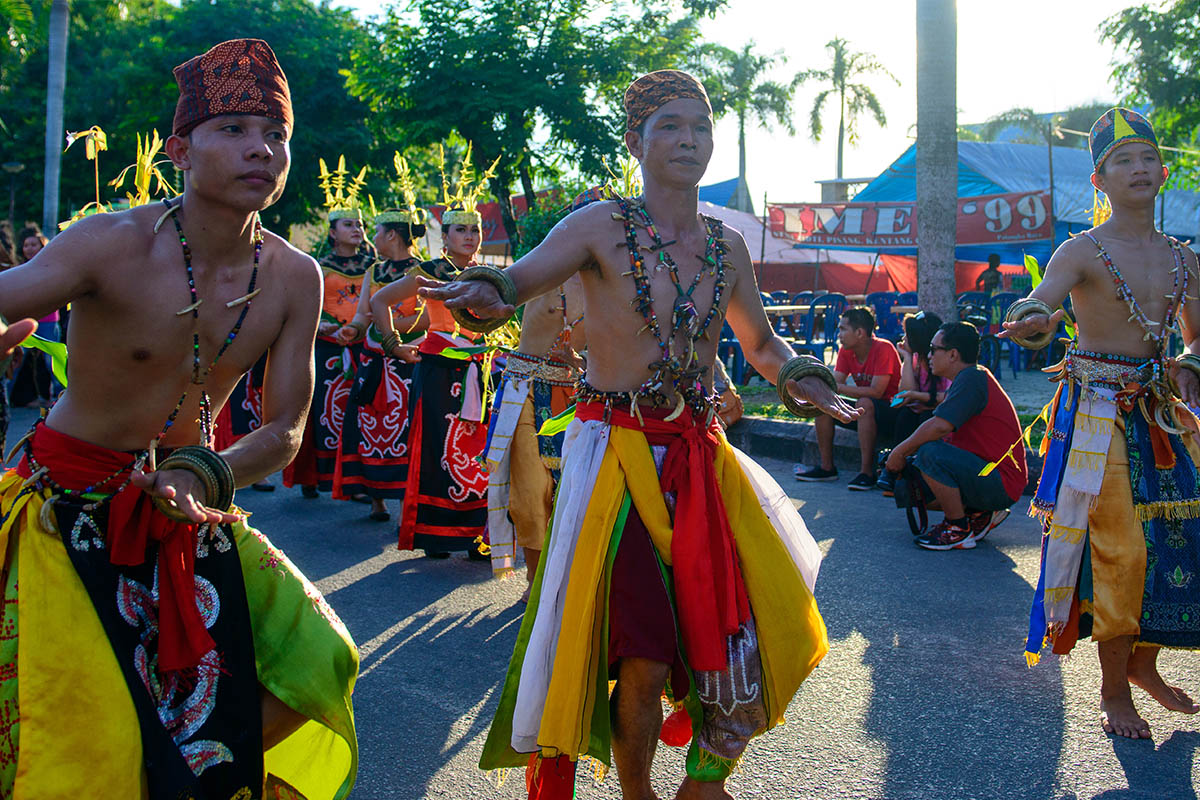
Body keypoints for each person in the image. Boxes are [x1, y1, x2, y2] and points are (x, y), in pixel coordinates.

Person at [421, 69, 859, 800]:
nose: (689, 140)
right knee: (645, 657)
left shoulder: (726, 245)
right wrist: (485, 293)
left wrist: (799, 377)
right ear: (636, 141)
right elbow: (522, 279)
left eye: (701, 127)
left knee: (748, 629)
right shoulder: (598, 226)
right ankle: (638, 793)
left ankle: (706, 778)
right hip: (615, 459)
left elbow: (760, 343)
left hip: (700, 459)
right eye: (670, 127)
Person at [0, 39, 358, 797]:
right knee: (86, 732)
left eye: (276, 133)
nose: (261, 148)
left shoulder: (295, 276)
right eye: (233, 128)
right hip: (62, 508)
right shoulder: (110, 244)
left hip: (190, 507)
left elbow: (286, 429)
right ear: (180, 151)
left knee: (322, 659)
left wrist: (204, 471)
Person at [1002, 107, 1200, 740]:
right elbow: (1040, 301)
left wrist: (1191, 364)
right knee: (1122, 548)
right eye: (1123, 161)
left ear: (1163, 172)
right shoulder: (1081, 250)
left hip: (1163, 415)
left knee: (1179, 540)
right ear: (1099, 180)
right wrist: (1032, 318)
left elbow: (1196, 336)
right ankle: (1114, 692)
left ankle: (1144, 665)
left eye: (1147, 158)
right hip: (1096, 417)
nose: (1138, 168)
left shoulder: (1184, 258)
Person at [370, 159, 491, 559]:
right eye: (461, 230)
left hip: (479, 370)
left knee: (478, 449)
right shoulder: (430, 272)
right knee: (436, 450)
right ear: (446, 236)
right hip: (439, 368)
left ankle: (476, 536)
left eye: (475, 230)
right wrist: (393, 345)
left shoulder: (490, 276)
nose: (470, 237)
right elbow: (380, 301)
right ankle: (436, 534)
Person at [484, 270, 585, 598]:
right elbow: (498, 291)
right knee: (531, 490)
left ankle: (565, 578)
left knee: (571, 492)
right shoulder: (548, 267)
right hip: (525, 390)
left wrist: (580, 362)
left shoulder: (614, 281)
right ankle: (534, 578)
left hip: (578, 397)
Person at [883, 321, 1026, 549]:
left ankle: (957, 528)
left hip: (1001, 481)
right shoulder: (969, 377)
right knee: (908, 485)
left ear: (952, 354)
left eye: (933, 349)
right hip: (991, 475)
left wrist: (899, 451)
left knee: (929, 453)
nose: (929, 355)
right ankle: (978, 513)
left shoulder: (972, 378)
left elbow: (940, 426)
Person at [334, 199, 429, 521]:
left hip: (410, 360)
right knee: (369, 427)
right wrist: (354, 328)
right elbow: (363, 312)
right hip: (373, 361)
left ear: (391, 235)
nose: (371, 237)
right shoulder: (374, 271)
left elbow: (427, 318)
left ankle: (407, 503)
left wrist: (387, 323)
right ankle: (377, 500)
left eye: (376, 231)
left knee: (407, 430)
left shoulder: (424, 271)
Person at [282, 178, 373, 499]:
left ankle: (355, 481)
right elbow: (302, 306)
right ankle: (313, 475)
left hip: (363, 347)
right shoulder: (317, 267)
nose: (357, 229)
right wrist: (319, 325)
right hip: (326, 348)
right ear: (333, 232)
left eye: (360, 225)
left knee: (360, 413)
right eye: (349, 224)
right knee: (319, 411)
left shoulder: (374, 267)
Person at [796, 305, 902, 490]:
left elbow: (877, 392)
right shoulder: (846, 351)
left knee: (864, 403)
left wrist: (836, 387)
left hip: (892, 412)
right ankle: (827, 468)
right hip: (866, 411)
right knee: (824, 404)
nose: (839, 334)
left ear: (860, 332)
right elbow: (834, 385)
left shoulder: (884, 348)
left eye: (843, 329)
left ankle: (867, 473)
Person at [876, 311, 948, 494]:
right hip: (915, 411)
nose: (903, 338)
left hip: (938, 415)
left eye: (908, 335)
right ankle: (895, 472)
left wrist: (917, 396)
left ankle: (915, 477)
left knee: (925, 418)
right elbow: (904, 392)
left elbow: (948, 397)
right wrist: (907, 359)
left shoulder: (942, 361)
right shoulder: (916, 359)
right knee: (905, 416)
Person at [10, 224, 57, 407]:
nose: (29, 248)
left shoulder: (51, 266)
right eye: (26, 245)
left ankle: (59, 398)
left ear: (42, 245)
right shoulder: (19, 269)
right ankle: (6, 397)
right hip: (26, 320)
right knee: (16, 361)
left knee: (52, 361)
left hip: (48, 321)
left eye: (33, 244)